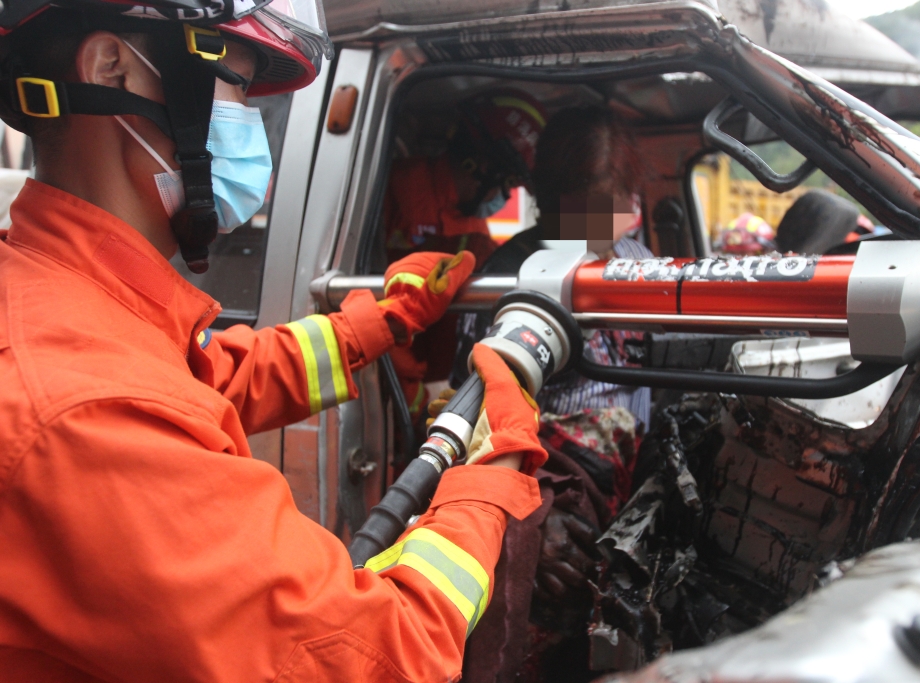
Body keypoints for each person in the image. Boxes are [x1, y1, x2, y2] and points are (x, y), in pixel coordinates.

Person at [0, 3, 544, 681]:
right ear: (113, 69)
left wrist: (377, 321)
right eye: (234, 84)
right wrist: (492, 469)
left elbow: (205, 378)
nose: (249, 127)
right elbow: (383, 655)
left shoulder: (60, 297)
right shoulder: (84, 412)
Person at [445, 106, 654, 682]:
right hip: (547, 498)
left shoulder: (644, 268)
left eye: (612, 204)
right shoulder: (507, 277)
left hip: (633, 497)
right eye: (580, 203)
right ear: (545, 196)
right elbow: (469, 420)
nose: (597, 223)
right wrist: (532, 520)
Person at [383, 89, 547, 419]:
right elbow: (373, 311)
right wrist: (416, 403)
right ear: (481, 166)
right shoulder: (392, 197)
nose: (504, 197)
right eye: (507, 184)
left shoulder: (476, 237)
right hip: (384, 386)